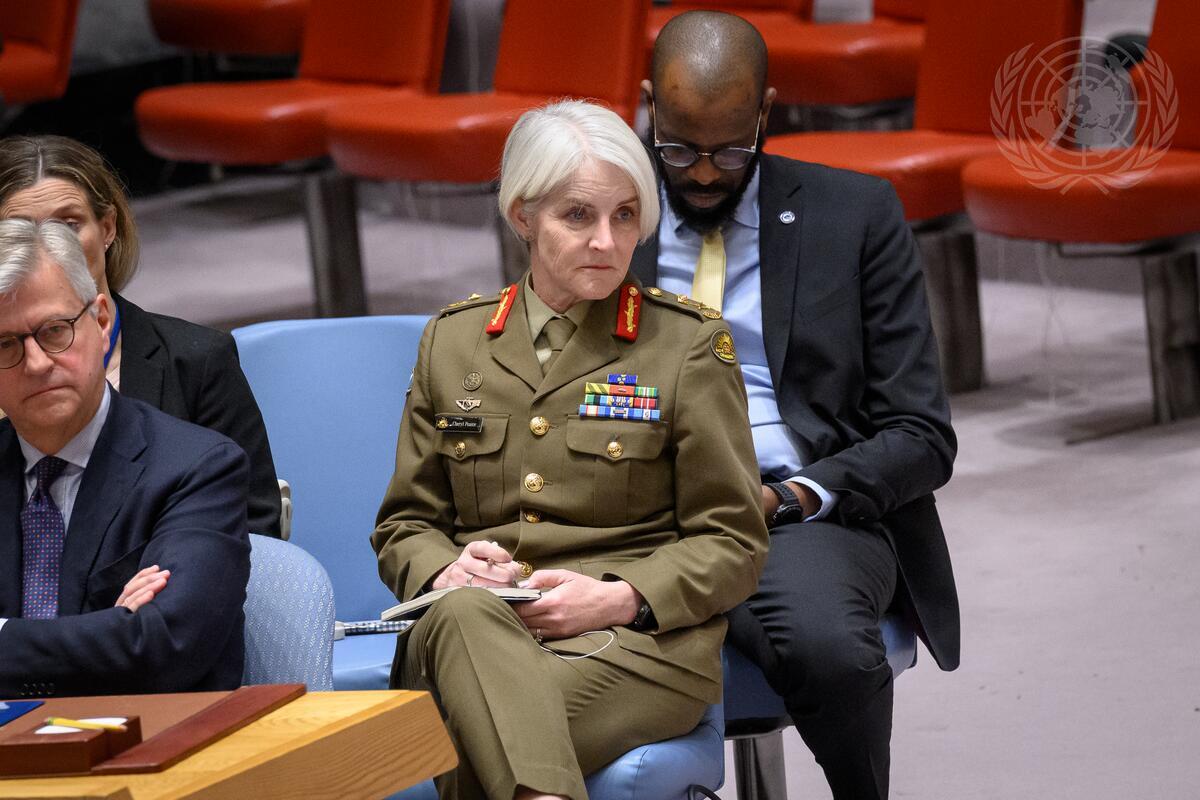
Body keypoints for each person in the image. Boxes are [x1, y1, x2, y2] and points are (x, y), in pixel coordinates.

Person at [372, 99, 768, 800]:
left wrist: (619, 598)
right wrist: (448, 572)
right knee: (464, 617)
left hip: (633, 649)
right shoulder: (453, 341)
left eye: (625, 215)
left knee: (469, 729)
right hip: (470, 635)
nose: (606, 242)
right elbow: (405, 525)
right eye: (578, 216)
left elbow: (733, 541)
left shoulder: (687, 346)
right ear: (522, 215)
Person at [632, 12, 960, 799]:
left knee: (826, 647)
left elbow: (921, 433)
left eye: (729, 151)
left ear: (766, 113)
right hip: (631, 506)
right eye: (677, 148)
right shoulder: (605, 217)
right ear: (647, 107)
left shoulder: (855, 216)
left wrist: (789, 497)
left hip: (790, 513)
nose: (702, 173)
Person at [0, 219, 250, 697]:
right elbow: (127, 642)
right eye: (4, 344)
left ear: (100, 322)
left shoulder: (196, 467)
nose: (36, 363)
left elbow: (162, 647)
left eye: (54, 331)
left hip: (150, 735)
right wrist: (109, 628)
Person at [0, 135, 281, 537]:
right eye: (23, 231)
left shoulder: (197, 361)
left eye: (68, 225)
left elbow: (254, 529)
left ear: (107, 228)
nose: (49, 248)